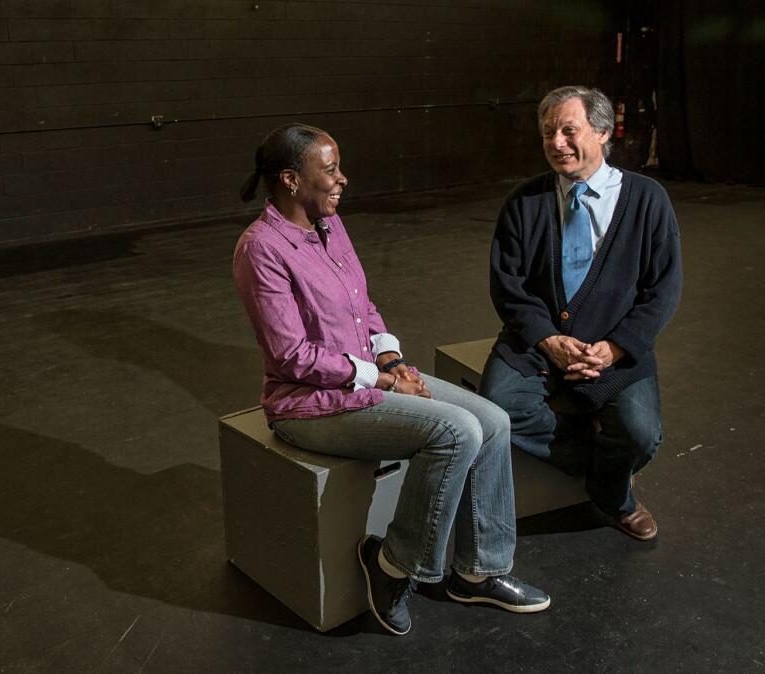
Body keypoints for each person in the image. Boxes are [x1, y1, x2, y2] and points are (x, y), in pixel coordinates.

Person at [232, 123, 550, 635]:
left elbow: (363, 308)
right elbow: (291, 356)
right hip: (309, 407)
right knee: (456, 431)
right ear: (291, 180)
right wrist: (379, 382)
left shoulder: (330, 225)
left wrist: (390, 356)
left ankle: (478, 572)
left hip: (366, 377)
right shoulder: (261, 249)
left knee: (491, 418)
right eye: (330, 169)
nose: (343, 179)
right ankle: (392, 566)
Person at [479, 86, 683, 541]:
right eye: (548, 132)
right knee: (498, 410)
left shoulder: (648, 199)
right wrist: (547, 339)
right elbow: (507, 285)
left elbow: (663, 289)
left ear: (604, 131)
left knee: (639, 435)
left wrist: (615, 348)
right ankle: (611, 479)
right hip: (538, 342)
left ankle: (611, 495)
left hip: (613, 346)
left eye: (568, 130)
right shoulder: (524, 202)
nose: (556, 142)